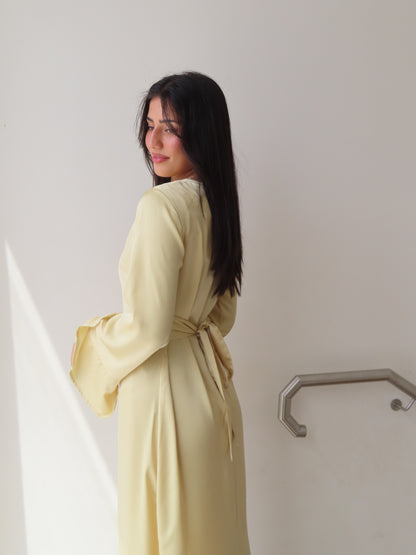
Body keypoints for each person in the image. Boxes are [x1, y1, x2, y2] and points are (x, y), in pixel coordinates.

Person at [69, 71, 251, 555]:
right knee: (213, 536)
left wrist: (95, 339)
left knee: (161, 536)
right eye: (149, 126)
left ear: (202, 132)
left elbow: (148, 329)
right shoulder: (219, 205)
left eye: (169, 128)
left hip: (162, 398)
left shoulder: (161, 206)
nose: (153, 141)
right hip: (213, 397)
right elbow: (222, 317)